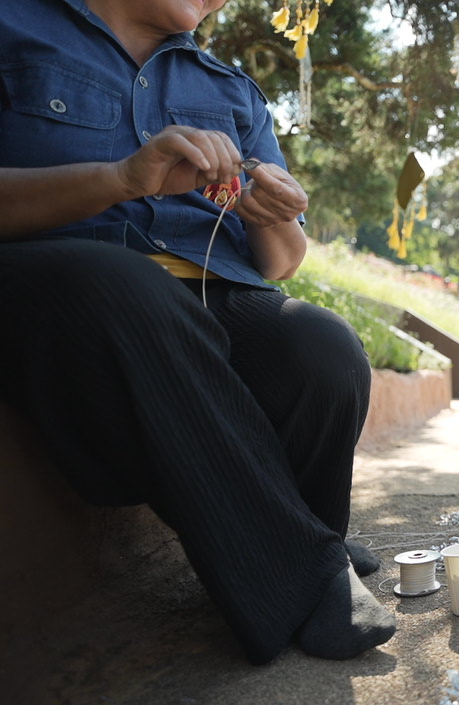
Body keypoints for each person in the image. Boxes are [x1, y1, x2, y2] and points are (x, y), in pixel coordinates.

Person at [0, 0, 395, 663]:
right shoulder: (14, 25)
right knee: (125, 291)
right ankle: (304, 573)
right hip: (65, 285)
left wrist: (268, 213)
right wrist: (119, 180)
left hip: (209, 289)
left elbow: (282, 260)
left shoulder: (231, 89)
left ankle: (300, 537)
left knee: (323, 347)